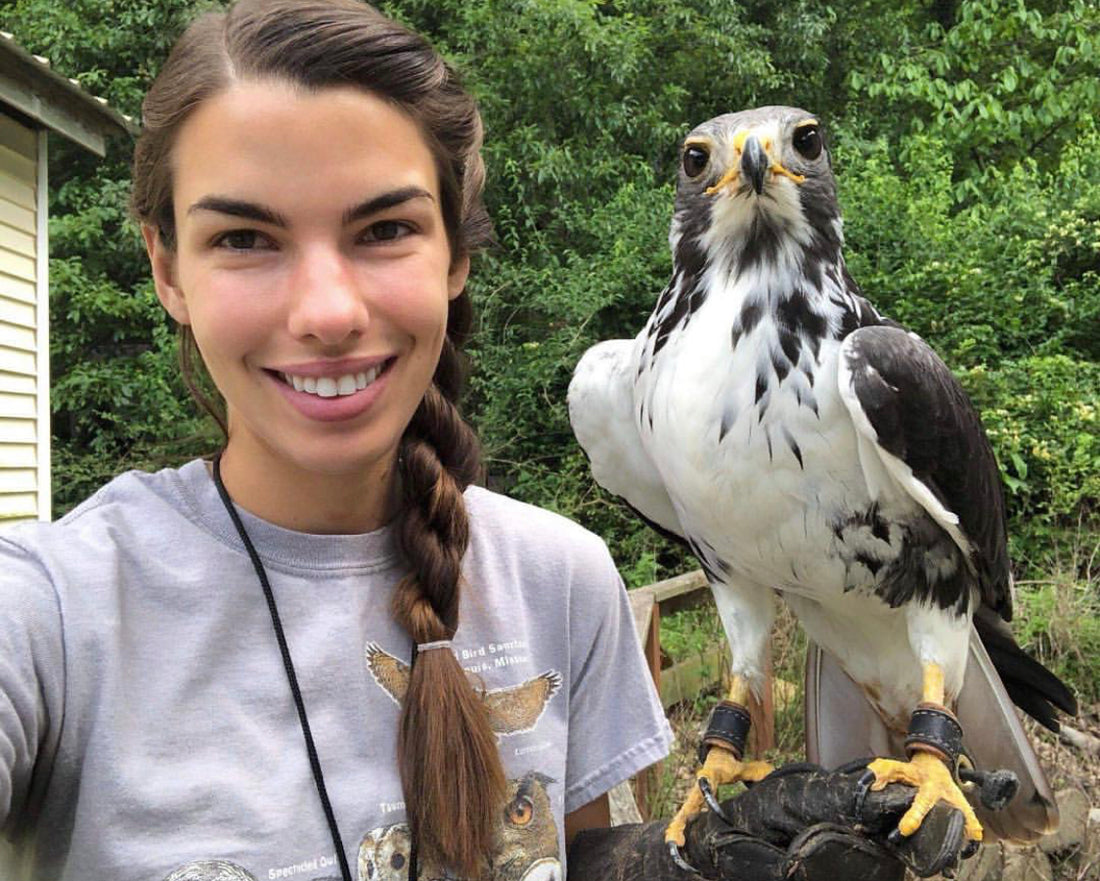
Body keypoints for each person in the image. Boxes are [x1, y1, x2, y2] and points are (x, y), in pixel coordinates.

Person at [0, 2, 977, 880]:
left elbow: (568, 851)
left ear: (457, 256)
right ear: (165, 268)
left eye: (382, 228)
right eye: (244, 239)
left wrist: (656, 865)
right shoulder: (47, 610)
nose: (327, 310)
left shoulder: (560, 575)